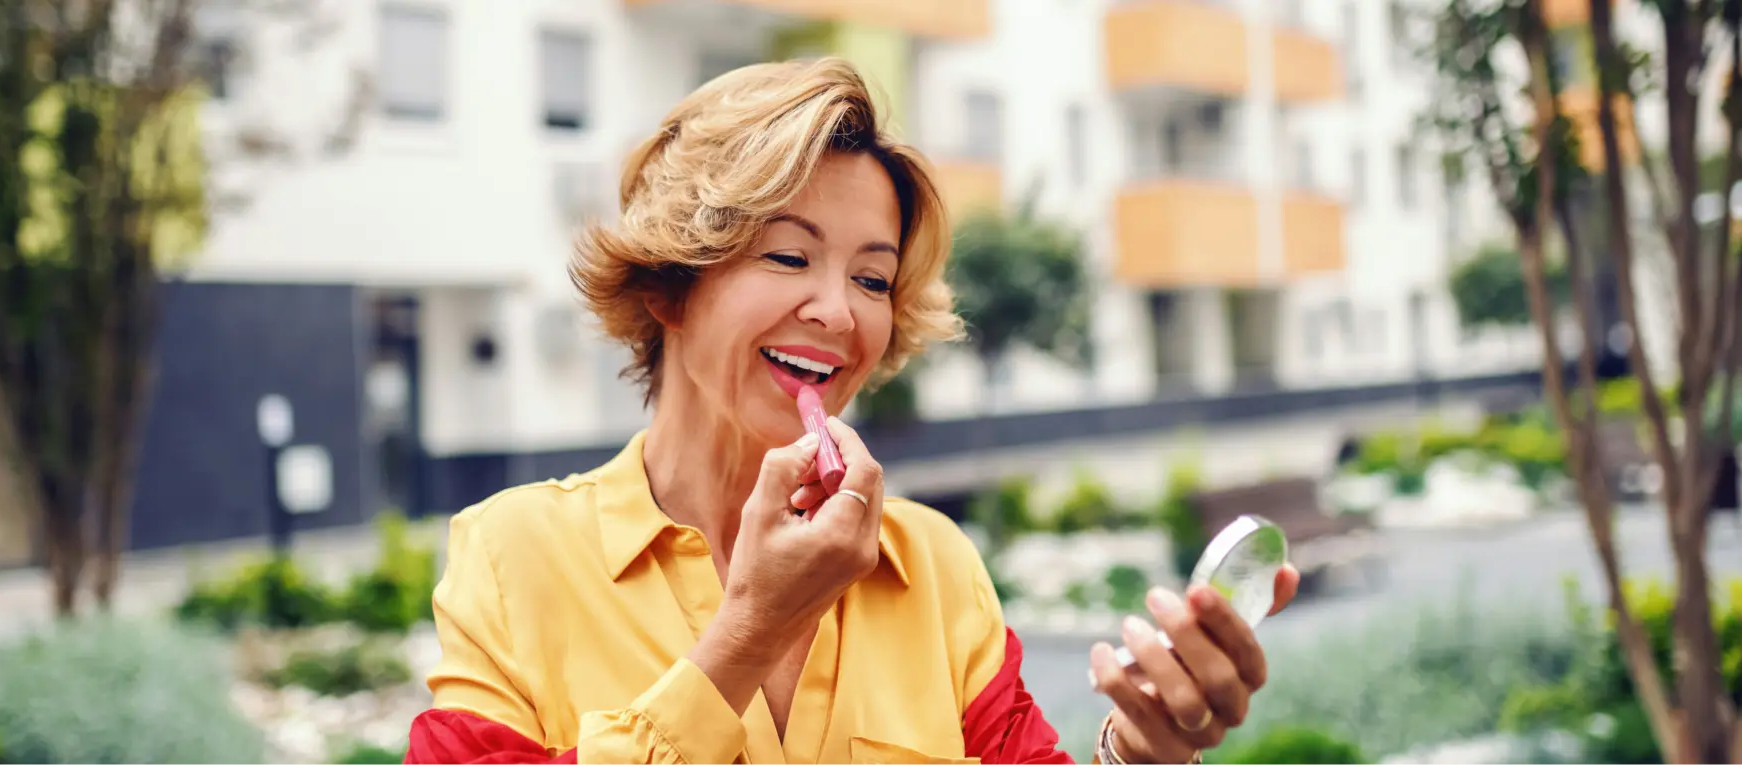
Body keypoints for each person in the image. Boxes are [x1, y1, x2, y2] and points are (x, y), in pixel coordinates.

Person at [405, 57, 1299, 765]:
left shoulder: (934, 566)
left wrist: (1144, 751)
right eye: (790, 257)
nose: (839, 311)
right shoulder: (509, 557)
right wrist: (748, 634)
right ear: (670, 289)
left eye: (872, 277)